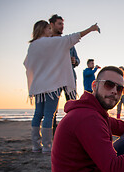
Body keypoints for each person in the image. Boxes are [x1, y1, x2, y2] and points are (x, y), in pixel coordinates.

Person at [24, 20, 99, 153]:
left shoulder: (33, 46)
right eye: (48, 28)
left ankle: (36, 145)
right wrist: (91, 28)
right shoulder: (52, 42)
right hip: (52, 85)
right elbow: (73, 38)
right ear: (42, 30)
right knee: (49, 115)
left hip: (38, 86)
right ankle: (47, 147)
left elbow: (27, 63)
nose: (50, 31)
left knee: (38, 114)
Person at [49, 14, 81, 135]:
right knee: (52, 110)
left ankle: (74, 132)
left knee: (73, 107)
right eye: (59, 24)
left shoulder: (69, 42)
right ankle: (54, 134)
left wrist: (75, 61)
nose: (62, 26)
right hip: (53, 79)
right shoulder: (48, 42)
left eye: (63, 24)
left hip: (69, 79)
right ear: (52, 25)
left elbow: (77, 60)